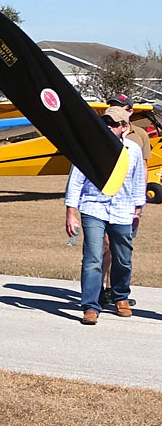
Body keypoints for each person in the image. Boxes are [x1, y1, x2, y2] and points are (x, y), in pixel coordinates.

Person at [64, 105, 146, 324]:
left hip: (123, 211)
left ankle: (121, 297)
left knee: (123, 257)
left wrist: (138, 210)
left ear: (124, 127)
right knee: (93, 258)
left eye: (113, 124)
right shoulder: (88, 149)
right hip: (93, 208)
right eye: (105, 123)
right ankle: (91, 305)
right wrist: (71, 212)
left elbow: (138, 181)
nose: (108, 127)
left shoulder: (133, 150)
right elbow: (75, 181)